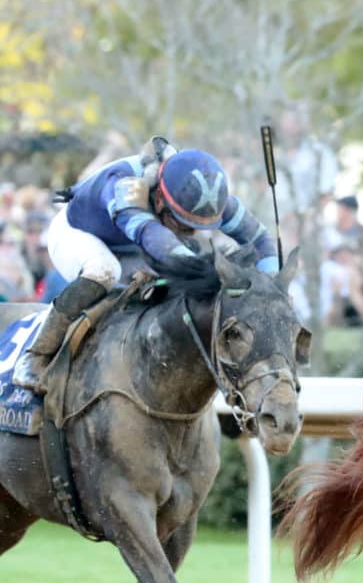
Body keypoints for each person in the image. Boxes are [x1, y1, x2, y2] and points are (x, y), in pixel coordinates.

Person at [12, 136, 279, 393]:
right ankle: (37, 355)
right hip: (78, 233)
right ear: (160, 199)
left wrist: (271, 285)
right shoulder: (125, 187)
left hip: (133, 243)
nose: (189, 231)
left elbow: (261, 240)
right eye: (183, 223)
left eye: (197, 226)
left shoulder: (211, 201)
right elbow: (154, 239)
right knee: (105, 272)